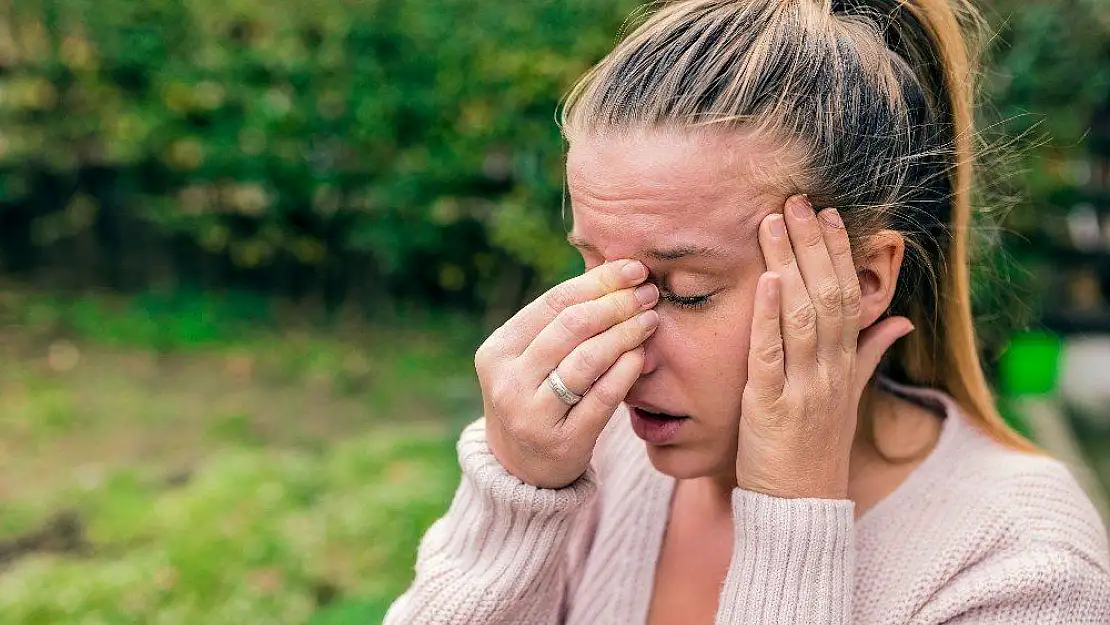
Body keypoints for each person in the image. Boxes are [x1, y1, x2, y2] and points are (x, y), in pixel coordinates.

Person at [385, 0, 1110, 622]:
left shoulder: (1024, 569)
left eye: (686, 290)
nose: (618, 347)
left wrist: (792, 523)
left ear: (860, 278)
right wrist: (516, 498)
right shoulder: (591, 455)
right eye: (595, 271)